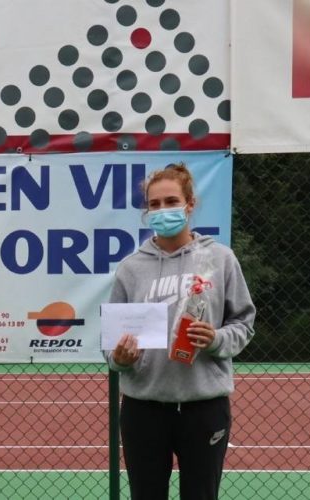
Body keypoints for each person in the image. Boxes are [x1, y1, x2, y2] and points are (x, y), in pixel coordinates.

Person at [106, 163, 255, 500]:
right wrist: (120, 358)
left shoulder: (220, 259)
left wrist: (216, 340)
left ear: (189, 204)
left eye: (171, 201)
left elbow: (243, 324)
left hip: (203, 407)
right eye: (154, 204)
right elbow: (112, 346)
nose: (162, 210)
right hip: (143, 409)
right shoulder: (131, 268)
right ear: (147, 211)